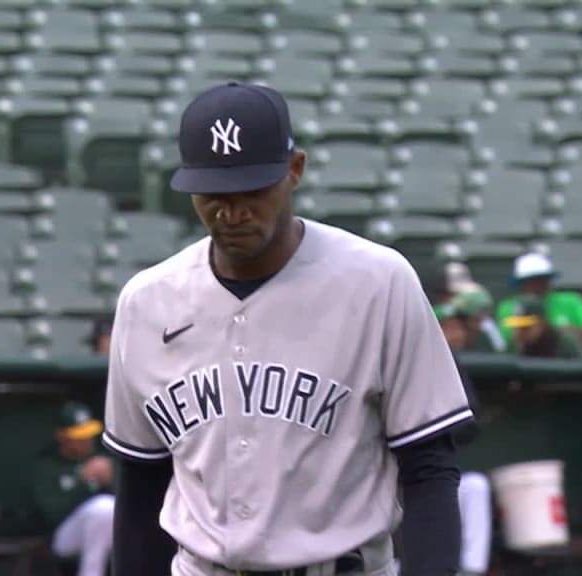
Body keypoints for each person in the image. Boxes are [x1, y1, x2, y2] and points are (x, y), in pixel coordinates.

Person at [102, 82, 472, 576]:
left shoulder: (379, 282)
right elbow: (142, 482)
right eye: (213, 193)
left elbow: (429, 467)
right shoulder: (147, 301)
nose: (231, 211)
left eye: (251, 189)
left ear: (294, 170)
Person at [434, 304, 493, 576]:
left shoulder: (453, 364)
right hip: (396, 477)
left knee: (476, 487)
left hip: (439, 471)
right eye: (448, 327)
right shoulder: (403, 360)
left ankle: (471, 571)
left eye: (458, 327)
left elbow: (470, 420)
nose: (455, 334)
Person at [32, 402, 115, 576]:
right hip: (64, 537)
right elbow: (52, 513)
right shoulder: (48, 465)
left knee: (107, 508)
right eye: (79, 436)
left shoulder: (103, 458)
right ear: (62, 435)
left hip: (108, 536)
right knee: (102, 508)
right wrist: (81, 481)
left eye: (88, 434)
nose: (87, 440)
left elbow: (128, 504)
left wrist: (110, 481)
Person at [495, 252, 582, 352]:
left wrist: (553, 333)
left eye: (542, 279)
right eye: (531, 280)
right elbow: (507, 341)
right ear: (521, 284)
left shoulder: (572, 301)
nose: (538, 285)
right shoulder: (508, 307)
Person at [503, 296, 582, 359]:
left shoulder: (563, 341)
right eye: (516, 327)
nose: (519, 332)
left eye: (525, 327)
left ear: (542, 323)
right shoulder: (518, 345)